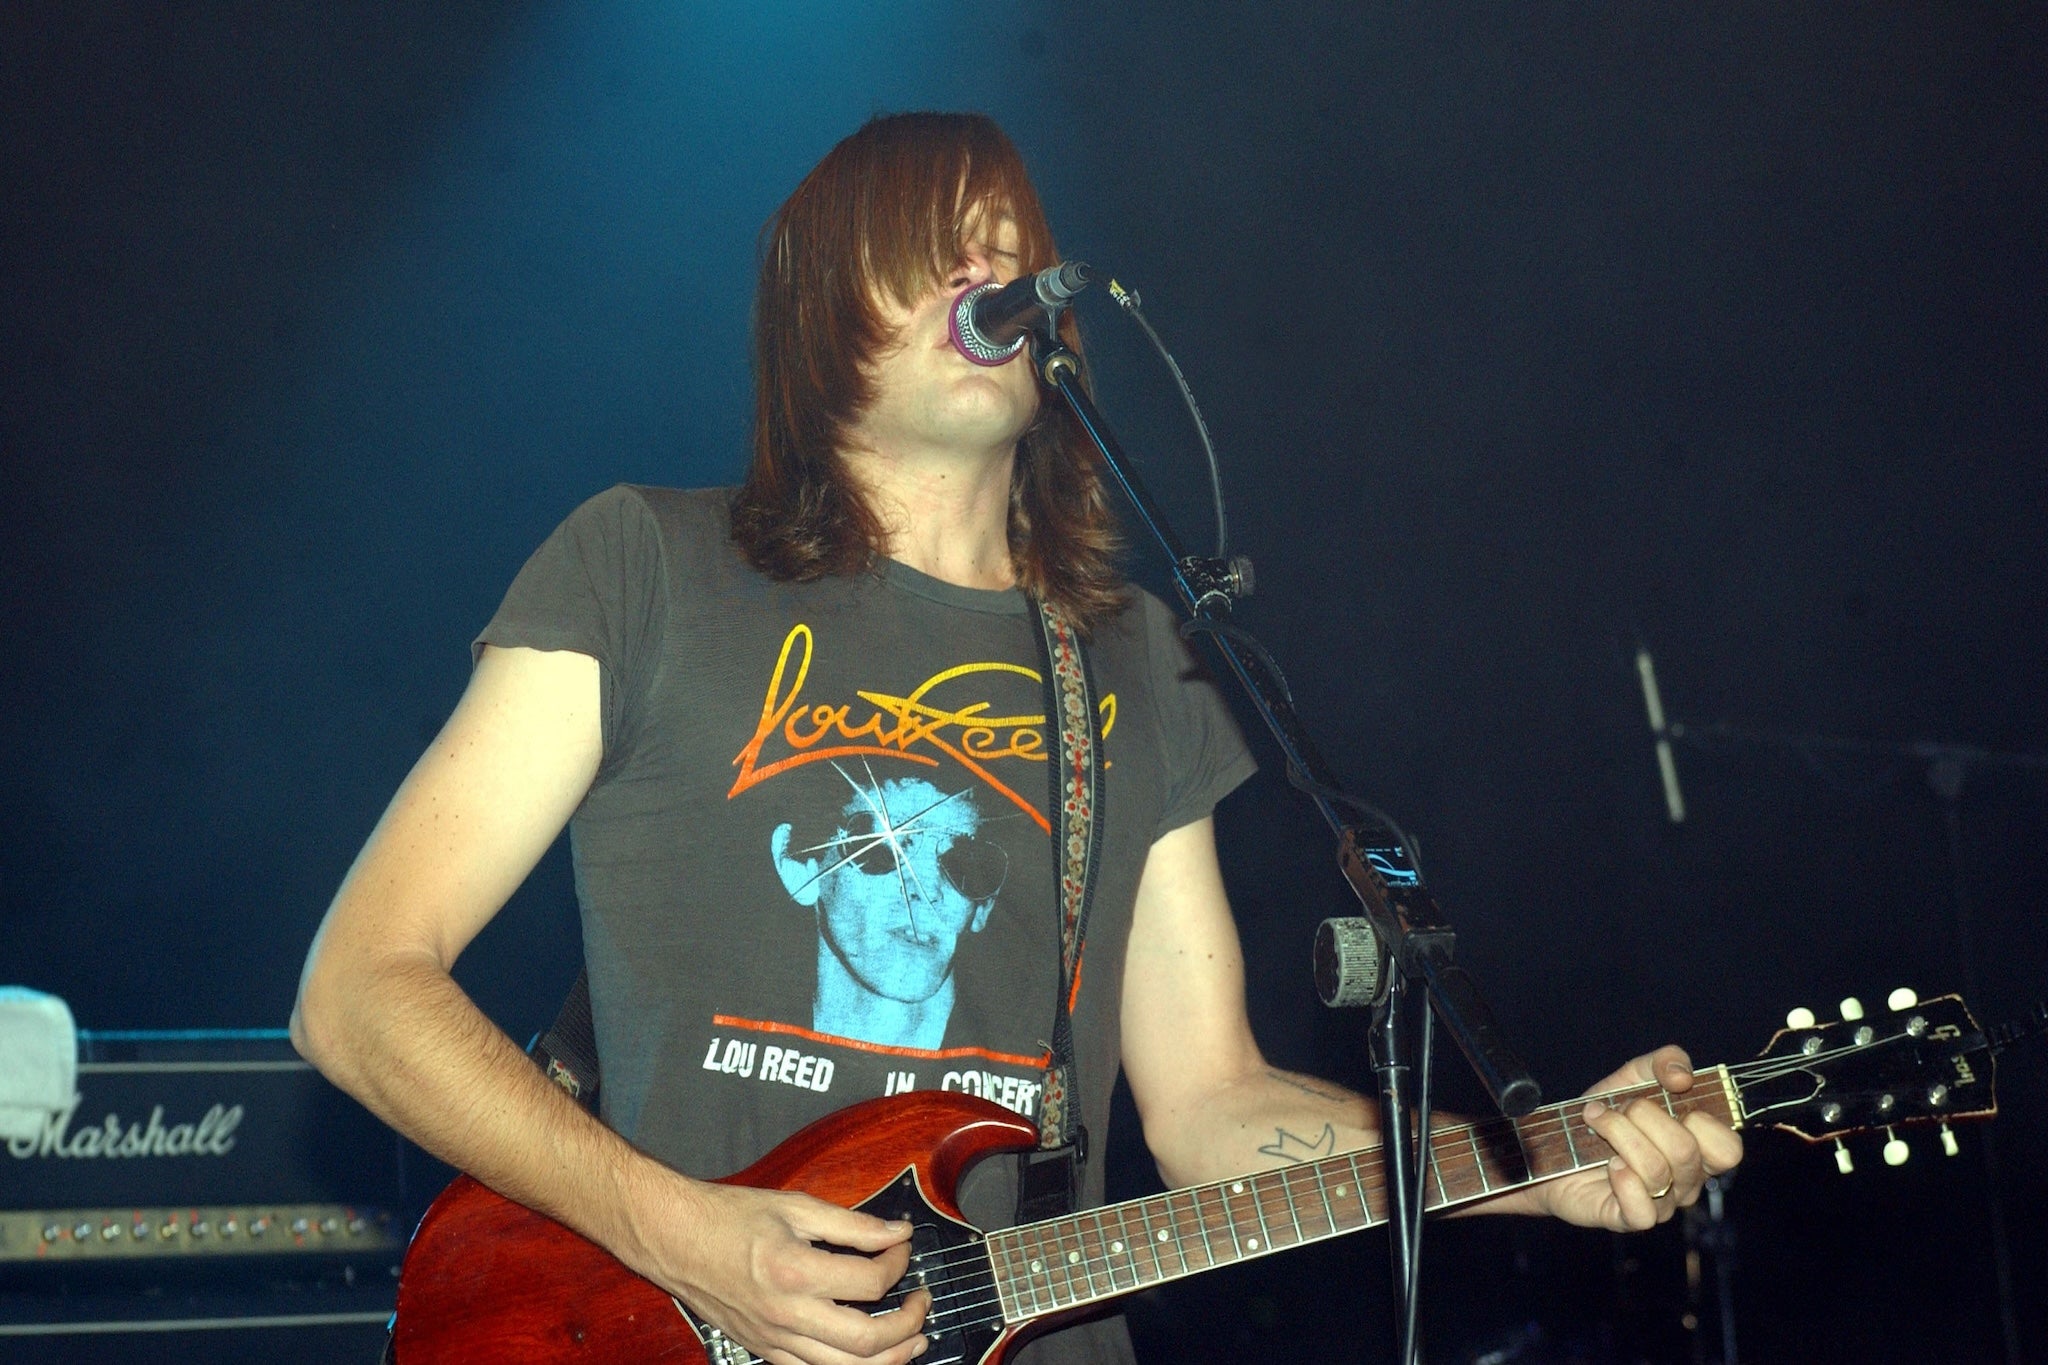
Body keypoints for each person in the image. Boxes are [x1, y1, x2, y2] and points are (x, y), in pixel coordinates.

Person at [291, 111, 1741, 1365]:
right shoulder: (642, 565)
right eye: (935, 240)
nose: (990, 271)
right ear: (819, 309)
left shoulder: (1137, 654)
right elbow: (358, 988)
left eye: (1008, 244)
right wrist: (682, 1233)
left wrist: (1531, 1166)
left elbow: (1213, 1107)